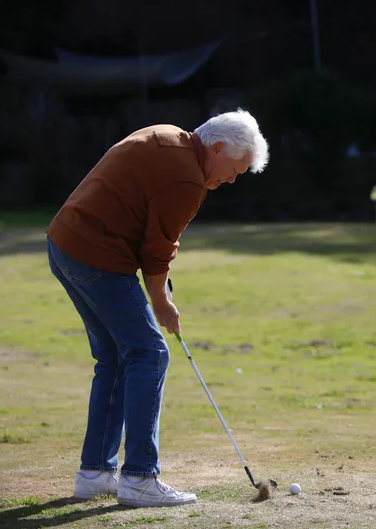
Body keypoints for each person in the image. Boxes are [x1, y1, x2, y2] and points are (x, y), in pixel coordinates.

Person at [46, 110, 269, 507]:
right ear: (216, 149)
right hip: (96, 255)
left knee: (116, 357)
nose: (230, 181)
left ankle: (95, 473)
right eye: (234, 170)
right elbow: (157, 250)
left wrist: (160, 291)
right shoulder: (187, 179)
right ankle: (139, 478)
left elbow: (151, 234)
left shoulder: (168, 135)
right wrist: (163, 303)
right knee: (150, 353)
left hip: (65, 245)